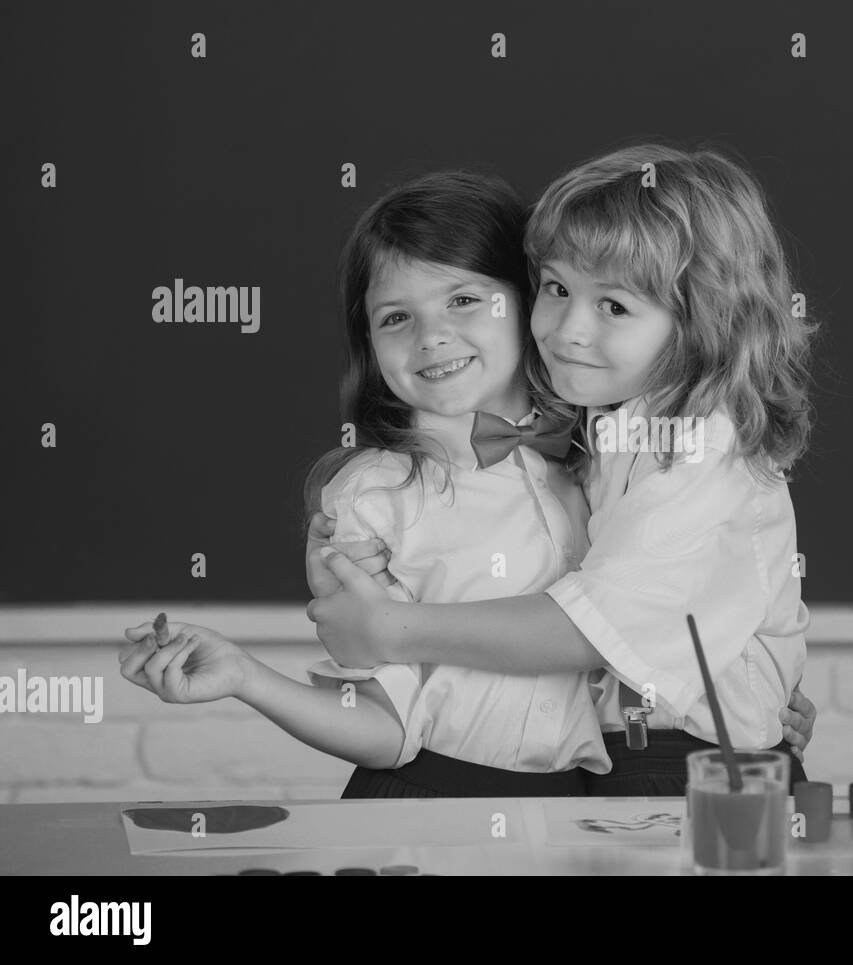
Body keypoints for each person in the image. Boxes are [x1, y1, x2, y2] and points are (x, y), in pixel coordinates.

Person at [307, 144, 819, 795]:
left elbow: (585, 630)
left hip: (689, 760)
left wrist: (386, 627)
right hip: (610, 756)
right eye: (556, 288)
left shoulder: (703, 442)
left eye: (614, 306)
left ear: (701, 322)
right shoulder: (597, 430)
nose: (568, 328)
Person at [120, 171, 609, 796]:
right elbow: (383, 726)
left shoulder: (606, 460)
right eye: (396, 317)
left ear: (533, 301)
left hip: (576, 806)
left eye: (463, 299)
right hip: (435, 799)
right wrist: (246, 675)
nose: (430, 336)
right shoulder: (373, 498)